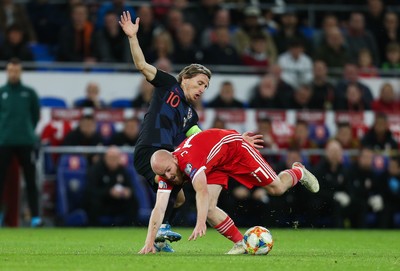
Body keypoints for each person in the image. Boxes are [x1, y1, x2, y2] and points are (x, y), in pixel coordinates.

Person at [119, 11, 262, 252]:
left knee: (181, 197)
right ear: (185, 78)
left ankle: (159, 239)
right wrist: (133, 37)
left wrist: (237, 139)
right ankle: (159, 234)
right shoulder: (167, 84)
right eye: (199, 83)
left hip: (169, 156)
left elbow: (204, 139)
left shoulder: (191, 115)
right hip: (149, 152)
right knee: (170, 191)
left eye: (206, 87)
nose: (202, 89)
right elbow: (142, 66)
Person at [139, 129, 319, 254]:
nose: (168, 175)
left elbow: (201, 191)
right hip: (215, 164)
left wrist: (200, 222)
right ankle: (241, 243)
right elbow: (159, 208)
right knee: (209, 208)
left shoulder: (188, 160)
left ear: (174, 158)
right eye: (162, 174)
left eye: (169, 170)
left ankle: (297, 171)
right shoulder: (165, 173)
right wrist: (149, 243)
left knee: (277, 189)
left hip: (235, 150)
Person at [0, 58, 42, 227]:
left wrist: (27, 131)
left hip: (26, 141)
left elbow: (35, 116)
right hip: (4, 142)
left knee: (31, 181)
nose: (14, 74)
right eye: (11, 71)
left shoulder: (29, 93)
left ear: (21, 72)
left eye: (16, 71)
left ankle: (35, 217)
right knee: (0, 181)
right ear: (7, 72)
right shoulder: (2, 92)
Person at [85, 146, 138, 226]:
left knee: (133, 202)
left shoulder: (123, 170)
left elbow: (130, 188)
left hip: (117, 202)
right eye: (111, 158)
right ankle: (94, 227)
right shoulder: (96, 170)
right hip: (103, 202)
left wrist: (128, 192)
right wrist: (109, 192)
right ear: (105, 158)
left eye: (115, 158)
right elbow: (91, 191)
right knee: (93, 203)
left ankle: (130, 226)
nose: (113, 161)